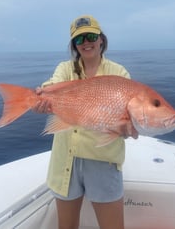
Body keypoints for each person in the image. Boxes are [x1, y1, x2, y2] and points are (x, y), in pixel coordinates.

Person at [33, 15, 138, 229]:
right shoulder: (65, 69)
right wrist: (40, 98)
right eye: (79, 39)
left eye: (91, 36)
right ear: (74, 45)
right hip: (66, 160)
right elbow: (52, 85)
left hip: (103, 160)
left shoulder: (118, 73)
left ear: (101, 39)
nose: (86, 42)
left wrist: (126, 129)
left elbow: (128, 119)